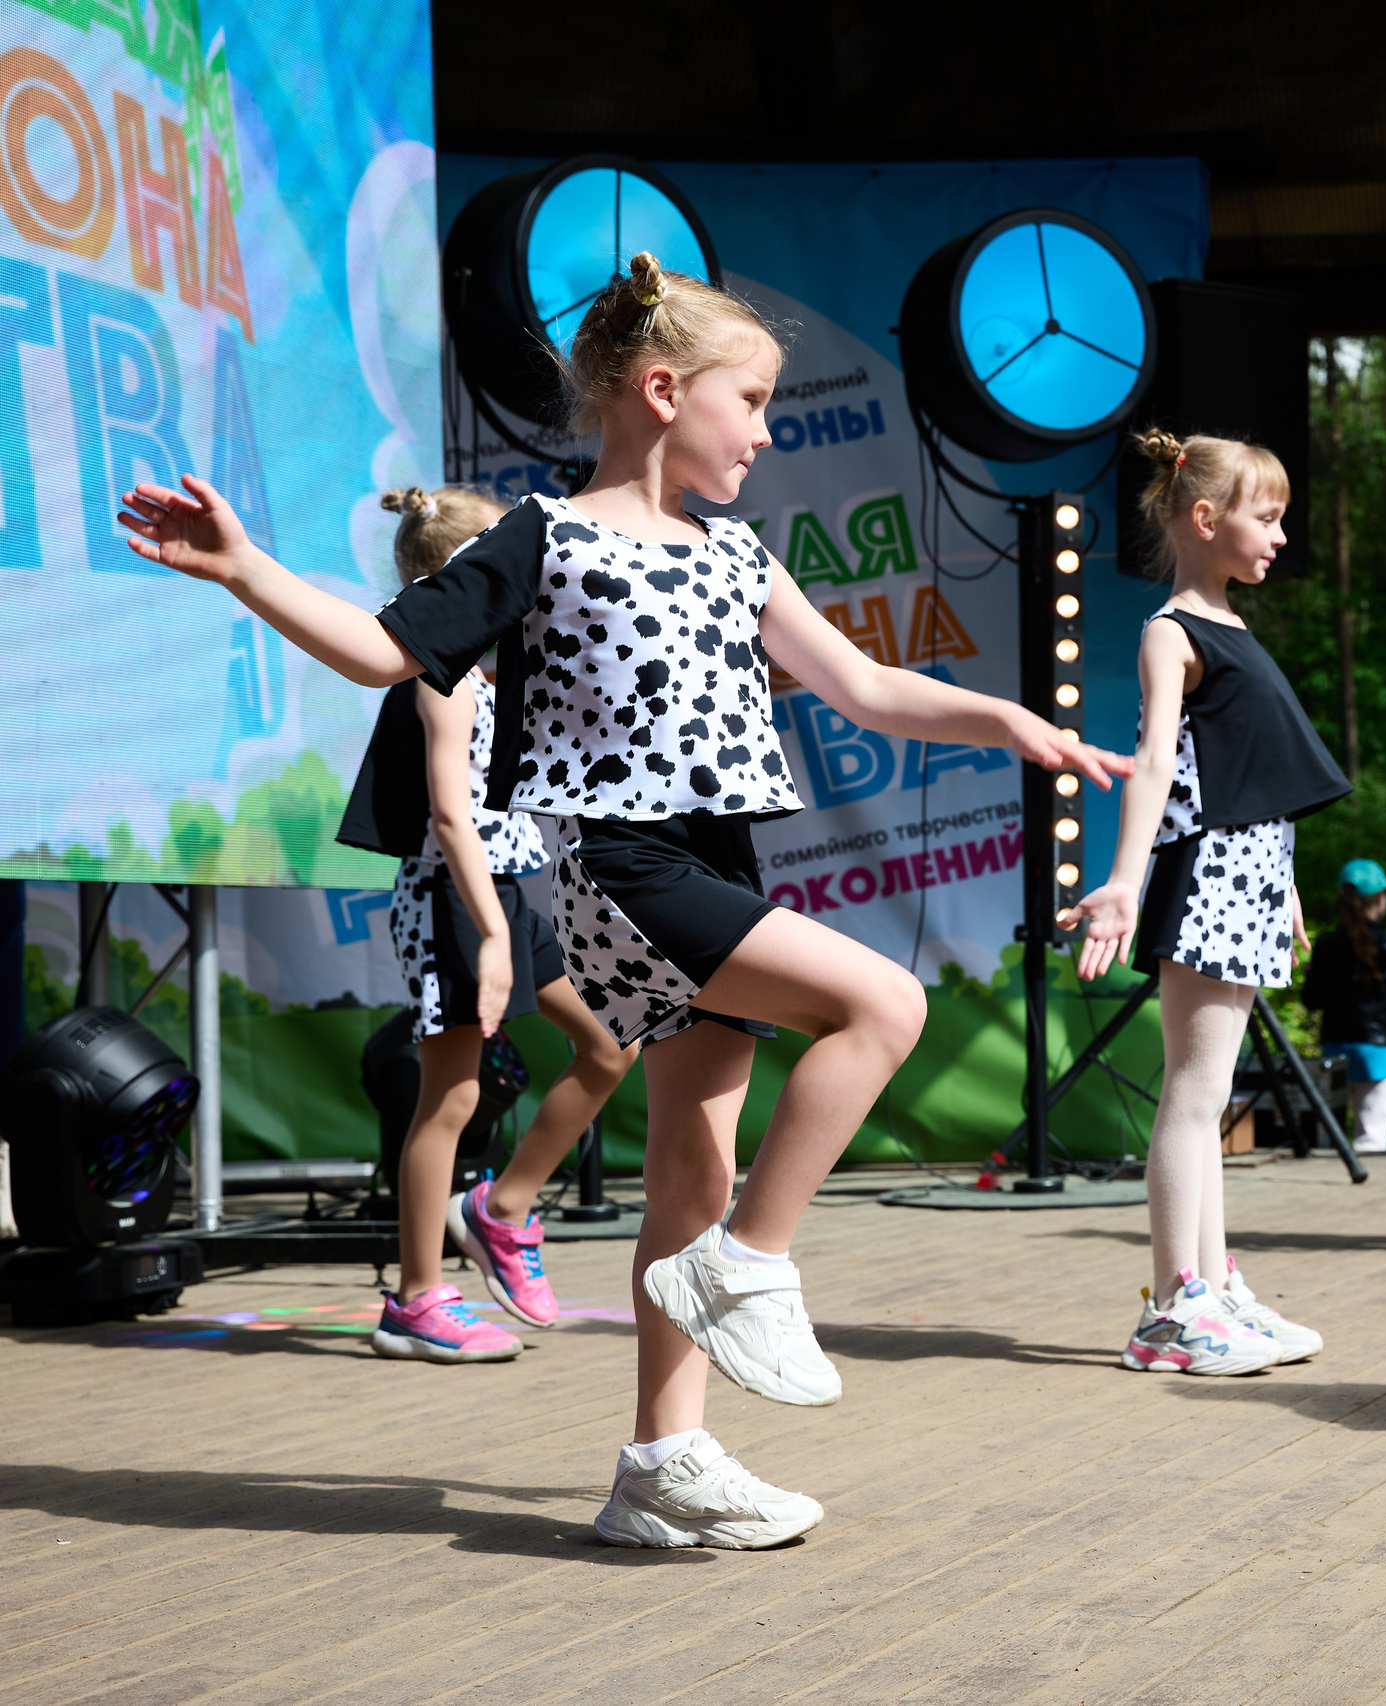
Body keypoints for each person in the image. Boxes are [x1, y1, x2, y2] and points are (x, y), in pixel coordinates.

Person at [119, 253, 1127, 1549]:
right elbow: (382, 649)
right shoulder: (543, 537)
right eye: (749, 401)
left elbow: (866, 685)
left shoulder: (737, 554)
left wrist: (1008, 718)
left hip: (720, 859)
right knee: (883, 1003)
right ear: (661, 389)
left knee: (690, 1166)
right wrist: (244, 567)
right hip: (622, 866)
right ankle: (749, 1263)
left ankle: (661, 1459)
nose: (765, 431)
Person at [338, 486, 639, 1366]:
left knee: (607, 1048)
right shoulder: (440, 675)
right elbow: (449, 815)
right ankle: (417, 1300)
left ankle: (501, 1209)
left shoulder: (487, 672)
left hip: (504, 894)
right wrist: (495, 936)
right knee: (452, 1097)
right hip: (454, 901)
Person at [1075, 428, 1348, 1370]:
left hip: (1249, 875)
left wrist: (1285, 883)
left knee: (1213, 1093)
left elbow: (1238, 770)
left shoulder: (1230, 626)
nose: (1279, 536)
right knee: (1193, 1096)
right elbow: (1155, 761)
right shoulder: (1172, 631)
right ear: (1204, 517)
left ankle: (1215, 1285)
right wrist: (1124, 880)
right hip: (1207, 878)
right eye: (1266, 518)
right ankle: (1170, 1309)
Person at [1301, 858, 1386, 1155]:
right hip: (1379, 1054)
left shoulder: (1326, 945)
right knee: (1372, 1141)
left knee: (1327, 1141)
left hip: (1334, 1051)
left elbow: (1311, 1000)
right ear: (1379, 898)